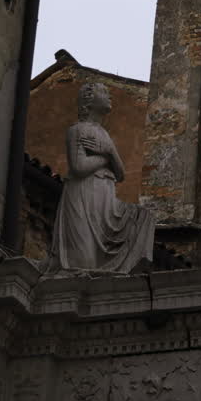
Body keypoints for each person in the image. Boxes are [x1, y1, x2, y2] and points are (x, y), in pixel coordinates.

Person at [49, 80, 154, 272]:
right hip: (83, 195)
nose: (109, 95)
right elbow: (79, 167)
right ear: (89, 100)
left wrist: (109, 151)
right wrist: (106, 158)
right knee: (83, 260)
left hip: (104, 197)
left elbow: (121, 174)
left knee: (143, 218)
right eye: (104, 92)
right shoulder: (77, 130)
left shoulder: (104, 134)